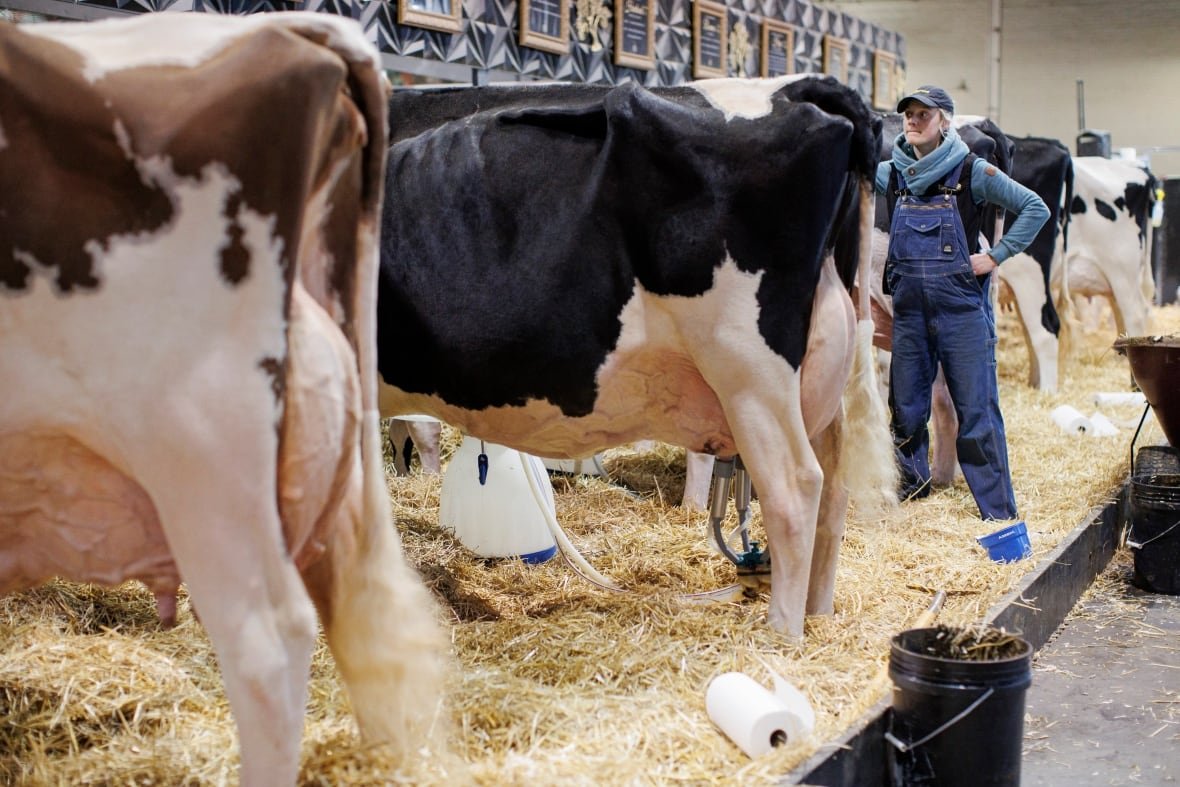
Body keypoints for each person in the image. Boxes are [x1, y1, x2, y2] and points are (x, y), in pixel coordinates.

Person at [875, 85, 1049, 523]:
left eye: (923, 115)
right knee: (906, 412)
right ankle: (911, 502)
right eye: (908, 115)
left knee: (977, 413)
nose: (912, 121)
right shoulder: (893, 174)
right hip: (910, 313)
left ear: (945, 121)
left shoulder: (972, 171)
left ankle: (997, 514)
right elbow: (847, 176)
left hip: (962, 313)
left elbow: (1035, 208)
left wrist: (994, 256)